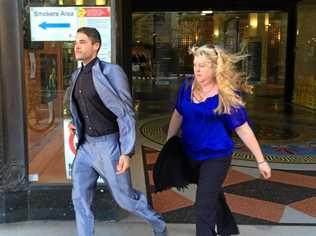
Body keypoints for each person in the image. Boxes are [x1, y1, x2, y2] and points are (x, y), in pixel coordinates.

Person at [69, 27, 167, 236]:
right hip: (85, 147)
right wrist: (76, 124)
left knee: (125, 199)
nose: (77, 45)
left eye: (83, 42)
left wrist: (126, 151)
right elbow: (83, 109)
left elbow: (125, 113)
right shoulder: (76, 75)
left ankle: (158, 223)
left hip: (109, 146)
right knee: (79, 198)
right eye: (76, 41)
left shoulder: (110, 72)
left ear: (96, 46)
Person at [166, 44, 271, 236]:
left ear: (215, 67)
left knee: (203, 204)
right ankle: (227, 227)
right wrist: (169, 142)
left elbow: (243, 128)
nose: (197, 69)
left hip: (217, 156)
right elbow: (178, 115)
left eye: (203, 65)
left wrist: (260, 160)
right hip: (190, 153)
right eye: (195, 64)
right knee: (211, 193)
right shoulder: (187, 87)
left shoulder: (226, 93)